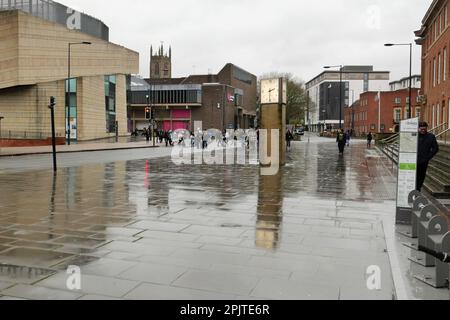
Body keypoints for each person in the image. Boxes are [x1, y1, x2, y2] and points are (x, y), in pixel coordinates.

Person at [416, 122, 439, 192]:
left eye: (424, 129)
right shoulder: (414, 136)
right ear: (418, 128)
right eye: (421, 129)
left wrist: (428, 157)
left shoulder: (431, 136)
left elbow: (435, 148)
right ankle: (413, 188)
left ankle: (418, 188)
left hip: (423, 161)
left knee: (421, 175)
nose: (423, 130)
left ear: (426, 128)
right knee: (413, 175)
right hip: (413, 159)